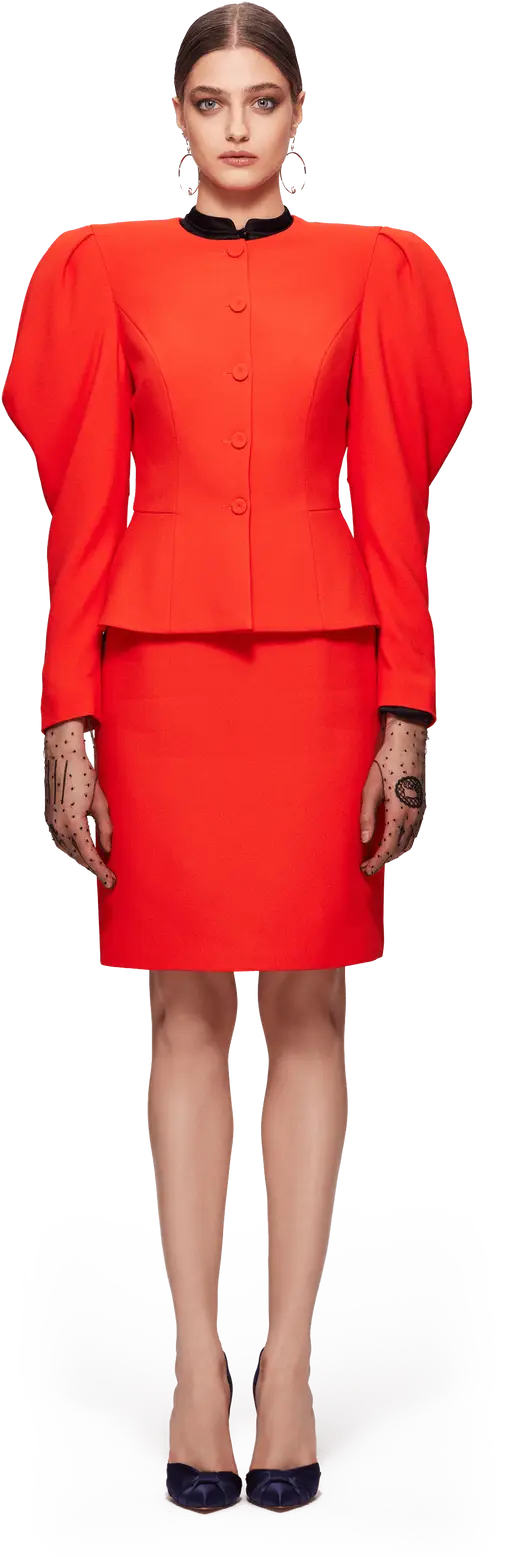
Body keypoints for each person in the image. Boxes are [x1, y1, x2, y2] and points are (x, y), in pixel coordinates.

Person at [1, 1, 473, 1518]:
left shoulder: (380, 270)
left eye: (262, 100)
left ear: (301, 111)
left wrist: (409, 707)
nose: (238, 128)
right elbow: (83, 502)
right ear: (177, 118)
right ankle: (197, 1364)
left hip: (327, 670)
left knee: (316, 1002)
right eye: (211, 101)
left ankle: (292, 1367)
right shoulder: (100, 269)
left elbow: (396, 498)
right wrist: (65, 713)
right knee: (185, 1005)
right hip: (161, 670)